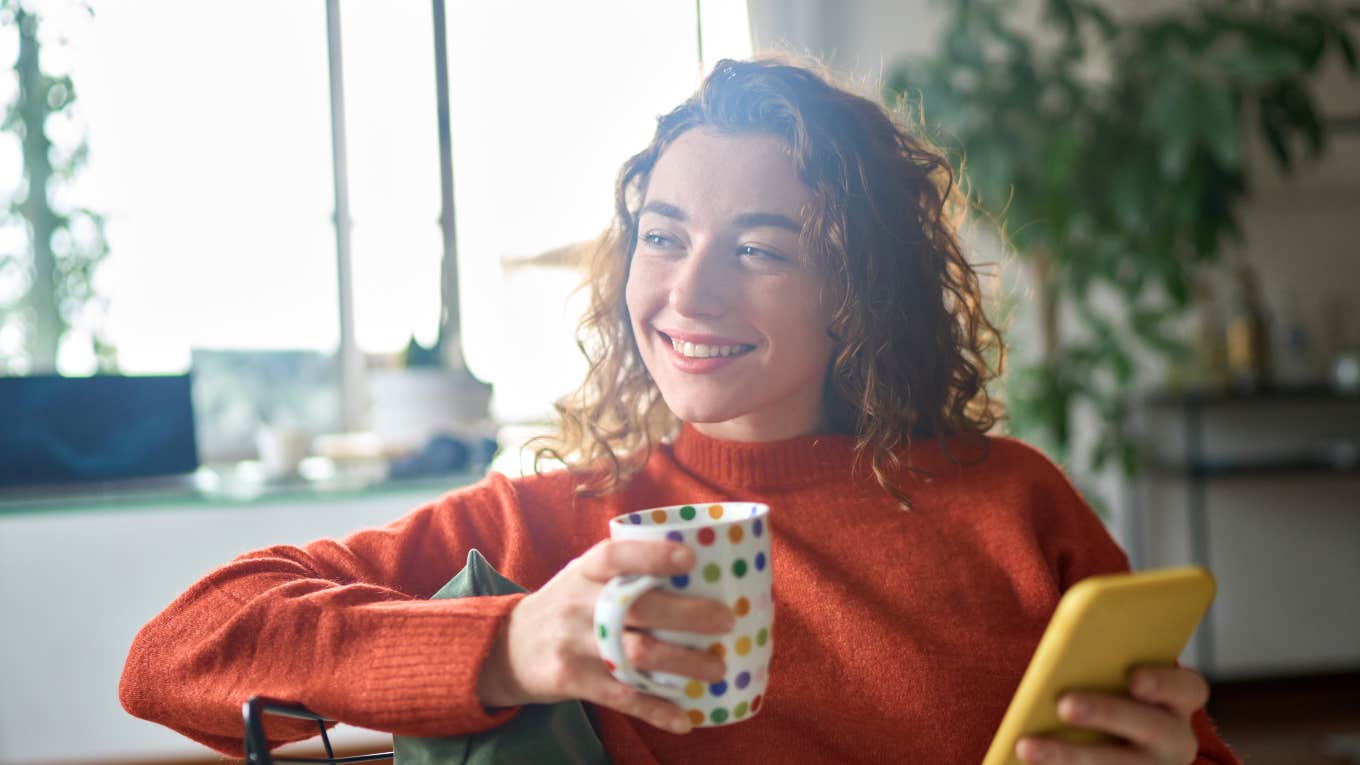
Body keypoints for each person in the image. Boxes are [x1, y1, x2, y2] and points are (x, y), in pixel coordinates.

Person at [120, 58, 1239, 765]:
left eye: (757, 250)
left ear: (858, 291)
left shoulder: (1010, 505)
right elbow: (176, 651)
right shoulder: (553, 535)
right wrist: (512, 644)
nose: (685, 295)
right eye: (662, 238)